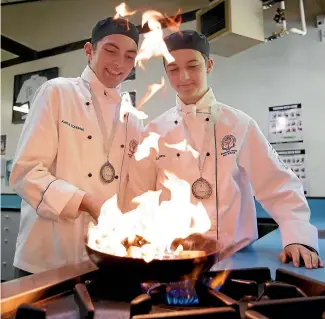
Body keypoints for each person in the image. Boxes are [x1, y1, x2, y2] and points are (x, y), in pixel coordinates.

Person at [126, 30, 323, 269]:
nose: (184, 76)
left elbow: (277, 185)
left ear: (208, 65)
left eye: (193, 65)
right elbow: (139, 195)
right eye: (173, 69)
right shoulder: (154, 131)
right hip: (173, 261)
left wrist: (299, 239)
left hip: (234, 260)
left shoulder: (239, 124)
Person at [9, 17, 142, 277]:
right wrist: (86, 201)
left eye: (129, 56)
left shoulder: (133, 118)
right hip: (47, 255)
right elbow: (26, 173)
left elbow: (131, 187)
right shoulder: (57, 92)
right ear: (89, 50)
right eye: (111, 51)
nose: (119, 64)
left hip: (104, 256)